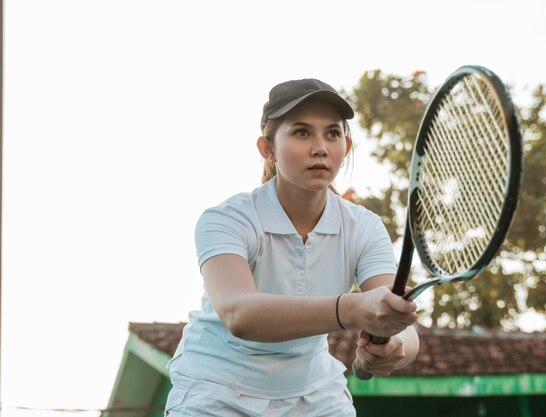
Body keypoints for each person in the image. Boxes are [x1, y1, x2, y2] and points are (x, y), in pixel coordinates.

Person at [164, 78, 419, 417]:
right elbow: (240, 314)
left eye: (332, 133)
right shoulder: (226, 219)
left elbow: (396, 315)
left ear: (346, 145)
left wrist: (398, 346)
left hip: (314, 394)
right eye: (301, 132)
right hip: (215, 389)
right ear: (267, 148)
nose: (320, 148)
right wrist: (353, 309)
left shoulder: (365, 227)